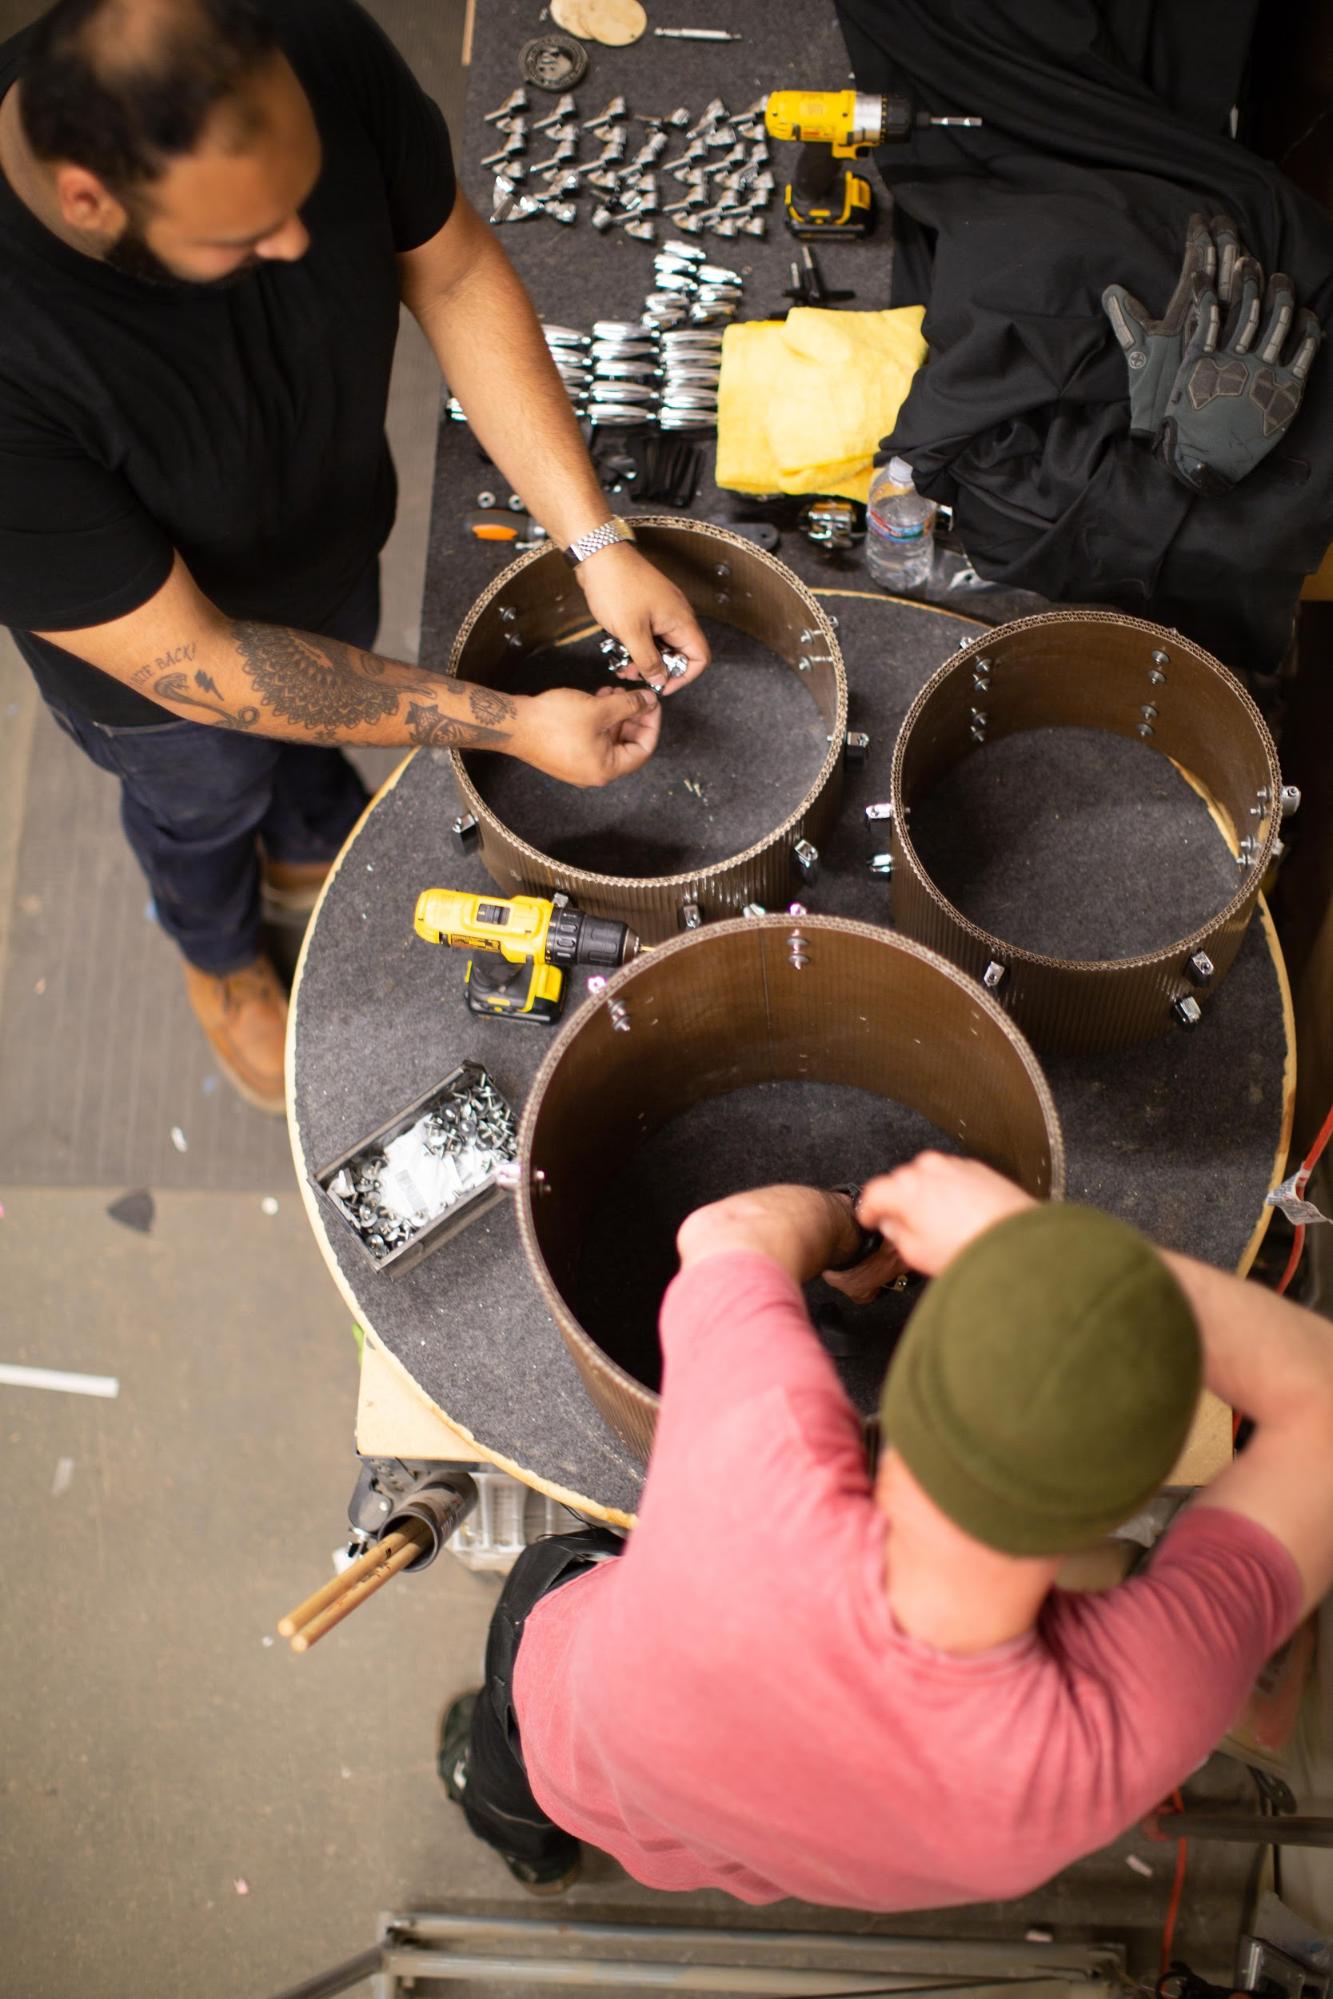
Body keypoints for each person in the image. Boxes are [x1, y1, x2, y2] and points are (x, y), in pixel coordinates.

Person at [0, 0, 709, 1113]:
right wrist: (517, 725)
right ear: (90, 199)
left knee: (314, 725)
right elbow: (210, 663)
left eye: (302, 194)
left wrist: (595, 537)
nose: (298, 245)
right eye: (242, 238)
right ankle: (219, 951)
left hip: (329, 544)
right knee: (200, 803)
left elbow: (454, 270)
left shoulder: (306, 34)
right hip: (162, 679)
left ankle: (299, 839)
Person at [439, 1151, 1330, 1902]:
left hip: (583, 1749)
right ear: (1139, 1486)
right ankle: (532, 1837)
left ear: (897, 1397)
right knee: (717, 1843)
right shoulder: (1123, 1732)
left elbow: (728, 1231)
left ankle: (519, 1832)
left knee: (516, 1731)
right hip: (759, 1851)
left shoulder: (753, 1472)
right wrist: (1093, 1282)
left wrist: (861, 1223)